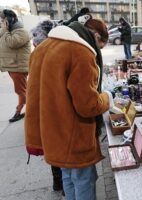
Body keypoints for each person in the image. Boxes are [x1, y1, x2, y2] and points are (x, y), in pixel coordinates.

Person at [25, 14, 114, 200]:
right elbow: (88, 106)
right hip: (74, 135)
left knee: (68, 177)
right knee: (83, 180)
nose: (98, 52)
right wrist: (107, 98)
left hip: (52, 133)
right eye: (100, 47)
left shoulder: (43, 48)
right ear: (96, 36)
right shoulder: (80, 52)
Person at [31, 19, 64, 193]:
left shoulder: (37, 52)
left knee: (51, 144)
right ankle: (62, 184)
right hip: (53, 105)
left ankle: (57, 182)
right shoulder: (51, 52)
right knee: (57, 144)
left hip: (43, 106)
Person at [0, 9, 31, 122]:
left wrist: (5, 29)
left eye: (2, 20)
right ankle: (29, 110)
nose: (1, 22)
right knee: (23, 90)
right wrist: (4, 29)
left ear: (9, 20)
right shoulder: (7, 30)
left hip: (18, 67)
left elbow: (12, 43)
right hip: (12, 66)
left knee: (21, 91)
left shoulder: (21, 31)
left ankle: (24, 111)